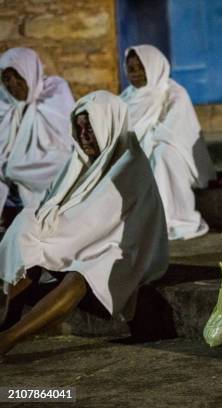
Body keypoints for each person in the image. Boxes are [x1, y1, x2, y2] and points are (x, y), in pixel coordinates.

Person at [0, 91, 169, 360]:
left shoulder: (131, 165)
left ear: (109, 124)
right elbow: (55, 206)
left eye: (91, 127)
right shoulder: (78, 162)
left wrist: (59, 236)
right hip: (80, 240)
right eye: (79, 128)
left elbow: (101, 222)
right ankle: (7, 319)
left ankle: (9, 338)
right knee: (27, 227)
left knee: (87, 271)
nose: (84, 136)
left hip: (125, 250)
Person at [120, 45, 216, 240]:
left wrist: (146, 140)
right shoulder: (126, 97)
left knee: (162, 156)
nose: (136, 73)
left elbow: (174, 129)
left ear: (154, 66)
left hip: (172, 148)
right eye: (131, 69)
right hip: (140, 146)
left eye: (142, 67)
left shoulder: (173, 92)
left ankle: (172, 217)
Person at [0, 47, 74, 224]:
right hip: (9, 202)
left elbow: (63, 159)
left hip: (53, 200)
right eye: (6, 79)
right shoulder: (5, 106)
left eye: (18, 76)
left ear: (30, 73)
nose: (13, 85)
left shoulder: (55, 94)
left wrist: (14, 169)